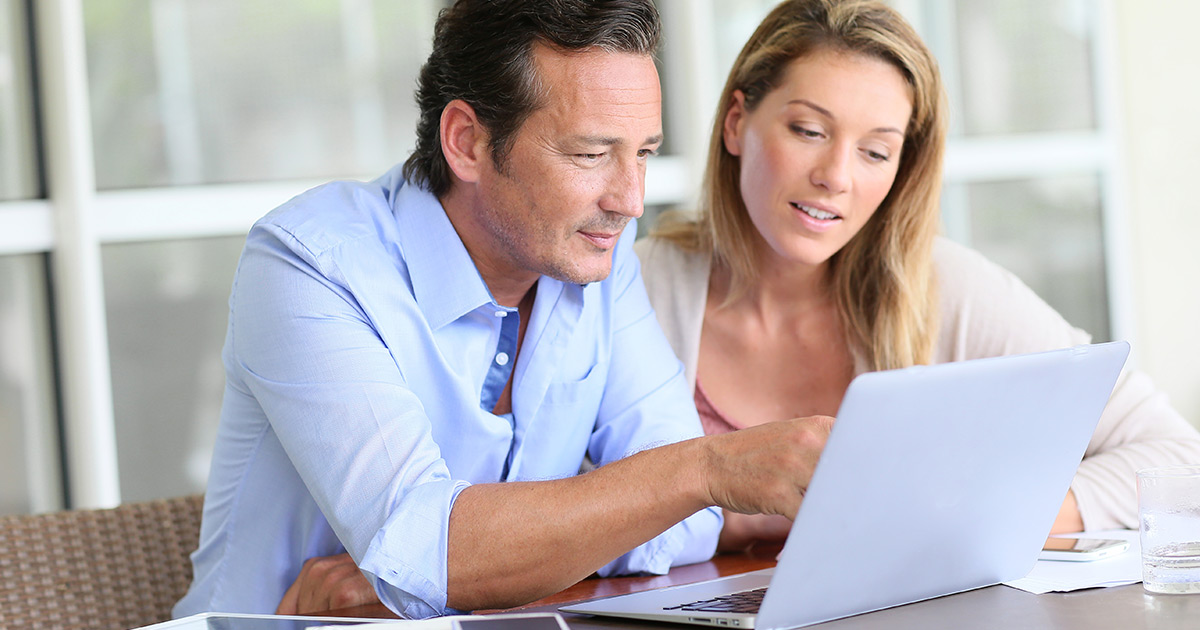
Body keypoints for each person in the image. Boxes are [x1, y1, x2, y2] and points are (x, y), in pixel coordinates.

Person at [173, 0, 838, 620]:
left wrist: (476, 565)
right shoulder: (309, 265)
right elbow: (429, 550)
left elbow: (683, 522)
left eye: (642, 153)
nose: (630, 199)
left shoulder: (596, 255)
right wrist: (704, 472)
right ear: (466, 140)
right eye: (589, 154)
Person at [635, 0, 1200, 552]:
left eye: (876, 153)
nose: (836, 176)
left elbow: (1176, 456)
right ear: (737, 124)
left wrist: (1010, 513)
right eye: (808, 130)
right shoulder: (638, 292)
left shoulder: (942, 288)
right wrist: (725, 515)